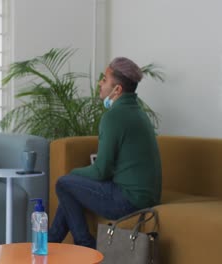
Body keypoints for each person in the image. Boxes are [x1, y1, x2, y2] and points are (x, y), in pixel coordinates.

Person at [48, 57, 162, 248]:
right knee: (71, 189)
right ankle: (48, 245)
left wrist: (75, 173)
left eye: (104, 80)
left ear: (117, 89)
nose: (100, 84)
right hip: (147, 197)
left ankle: (85, 246)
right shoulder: (138, 112)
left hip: (128, 201)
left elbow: (102, 171)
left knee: (64, 183)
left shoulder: (113, 117)